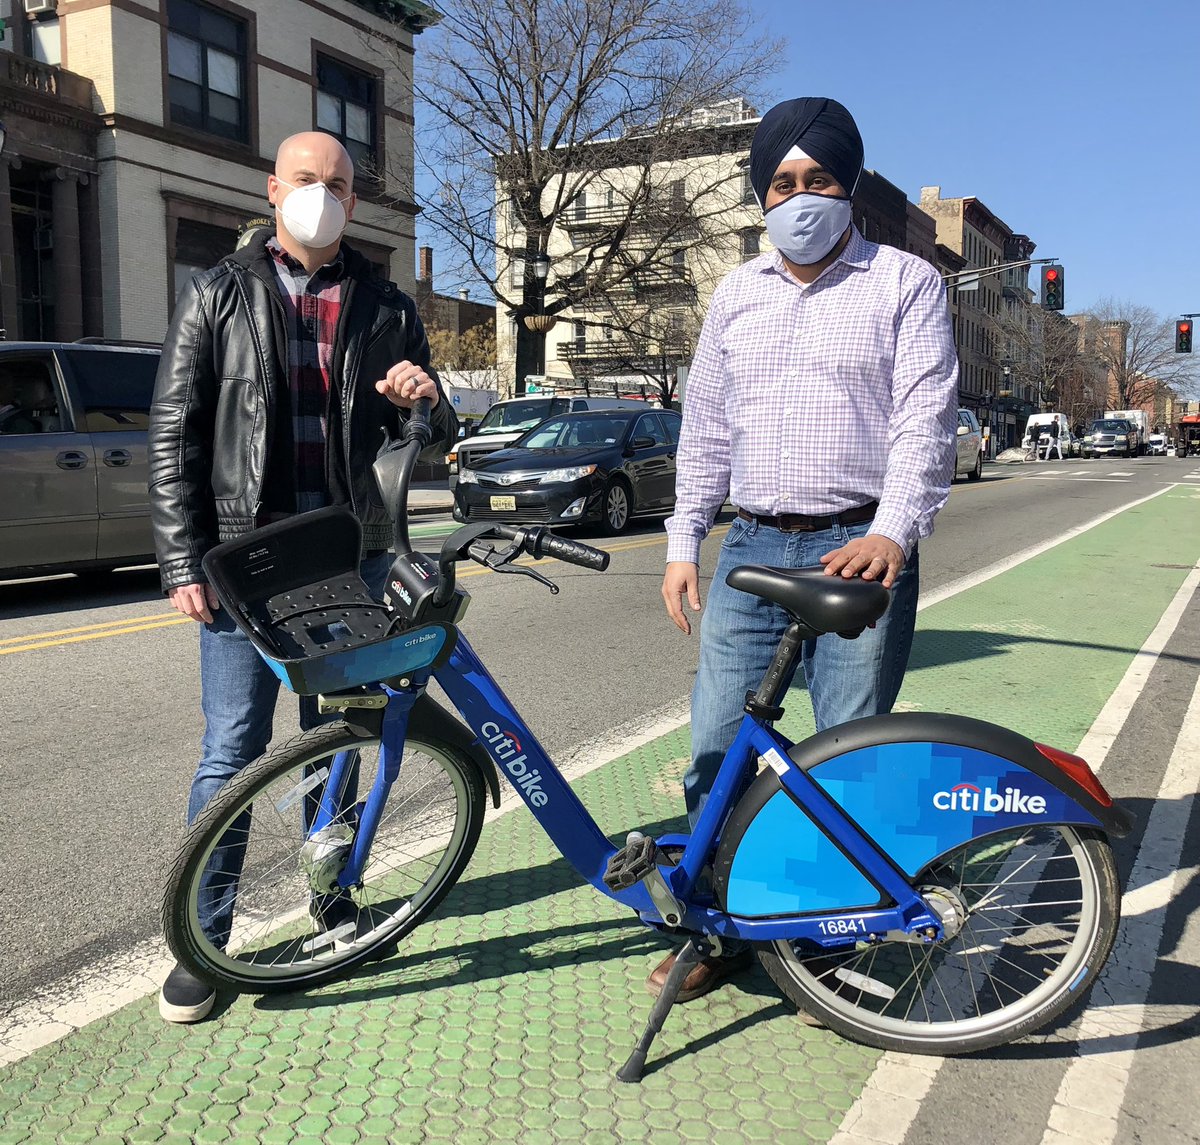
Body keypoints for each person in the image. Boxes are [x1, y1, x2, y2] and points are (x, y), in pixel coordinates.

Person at [149, 131, 457, 1023]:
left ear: (354, 202)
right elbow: (174, 433)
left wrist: (422, 399)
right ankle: (205, 939)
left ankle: (333, 897)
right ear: (273, 187)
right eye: (307, 180)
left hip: (347, 554)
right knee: (231, 752)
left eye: (339, 184)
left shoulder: (386, 305)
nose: (322, 195)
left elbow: (426, 441)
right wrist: (181, 560)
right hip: (242, 560)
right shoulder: (216, 293)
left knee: (343, 739)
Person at [656, 97, 958, 1002]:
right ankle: (717, 925)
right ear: (761, 195)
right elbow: (705, 428)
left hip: (856, 548)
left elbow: (925, 422)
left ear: (849, 185)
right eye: (782, 183)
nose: (800, 197)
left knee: (844, 753)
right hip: (752, 544)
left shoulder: (906, 283)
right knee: (716, 751)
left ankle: (823, 940)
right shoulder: (736, 294)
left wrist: (891, 529)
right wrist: (682, 542)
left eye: (817, 180)